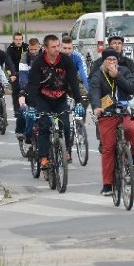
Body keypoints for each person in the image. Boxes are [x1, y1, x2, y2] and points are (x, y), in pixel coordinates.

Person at [21, 34, 82, 169]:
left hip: (60, 98)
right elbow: (33, 85)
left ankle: (67, 151)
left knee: (65, 125)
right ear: (45, 48)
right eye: (53, 47)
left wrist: (78, 101)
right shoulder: (39, 62)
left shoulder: (66, 61)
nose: (57, 49)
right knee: (45, 125)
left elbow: (73, 82)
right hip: (43, 99)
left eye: (58, 46)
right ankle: (43, 157)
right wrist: (31, 105)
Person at [90, 48, 134, 195]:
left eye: (114, 60)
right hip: (108, 112)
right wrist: (97, 107)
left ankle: (133, 152)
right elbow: (94, 93)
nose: (112, 63)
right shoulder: (98, 76)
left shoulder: (124, 71)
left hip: (125, 109)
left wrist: (118, 76)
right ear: (103, 62)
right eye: (109, 60)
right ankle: (107, 184)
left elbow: (133, 87)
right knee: (108, 147)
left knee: (131, 128)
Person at [6, 32, 29, 117]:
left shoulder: (26, 47)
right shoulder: (10, 49)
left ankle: (27, 107)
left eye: (20, 39)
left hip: (25, 72)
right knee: (16, 92)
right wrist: (10, 72)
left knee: (26, 90)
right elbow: (8, 61)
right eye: (16, 40)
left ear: (22, 40)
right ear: (13, 40)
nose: (18, 41)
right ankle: (17, 111)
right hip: (15, 72)